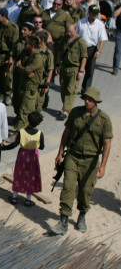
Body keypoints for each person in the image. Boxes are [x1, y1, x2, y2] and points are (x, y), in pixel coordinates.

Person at [49, 87, 112, 236]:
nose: (86, 101)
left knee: (85, 191)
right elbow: (67, 132)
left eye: (90, 99)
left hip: (90, 161)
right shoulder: (76, 113)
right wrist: (60, 153)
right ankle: (63, 221)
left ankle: (82, 215)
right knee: (68, 187)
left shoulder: (104, 119)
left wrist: (103, 165)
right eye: (85, 98)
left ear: (96, 101)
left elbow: (107, 143)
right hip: (73, 156)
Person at [3, 111, 44, 207]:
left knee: (19, 174)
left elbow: (14, 145)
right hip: (33, 156)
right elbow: (42, 147)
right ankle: (28, 199)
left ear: (28, 120)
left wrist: (3, 147)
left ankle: (14, 197)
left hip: (22, 155)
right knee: (31, 176)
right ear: (38, 123)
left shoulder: (21, 132)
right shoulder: (40, 134)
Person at [77, 4, 107, 93]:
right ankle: (74, 86)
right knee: (77, 68)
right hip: (80, 49)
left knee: (90, 71)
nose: (95, 15)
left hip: (92, 49)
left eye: (96, 14)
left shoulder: (100, 24)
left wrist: (99, 50)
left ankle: (85, 88)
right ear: (89, 12)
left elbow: (103, 39)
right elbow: (76, 35)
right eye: (93, 13)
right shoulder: (80, 22)